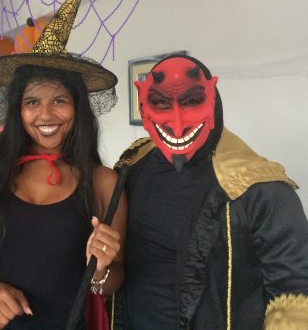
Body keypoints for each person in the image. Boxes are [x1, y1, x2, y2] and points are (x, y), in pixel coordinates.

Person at [0, 0, 127, 330]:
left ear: (78, 108)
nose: (46, 115)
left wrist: (101, 269)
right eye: (32, 102)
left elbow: (112, 283)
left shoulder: (103, 182)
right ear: (18, 110)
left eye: (59, 100)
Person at [113, 55, 308, 329]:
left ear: (213, 101)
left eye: (192, 100)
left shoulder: (261, 188)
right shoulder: (131, 167)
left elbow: (296, 295)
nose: (177, 122)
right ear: (144, 107)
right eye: (161, 103)